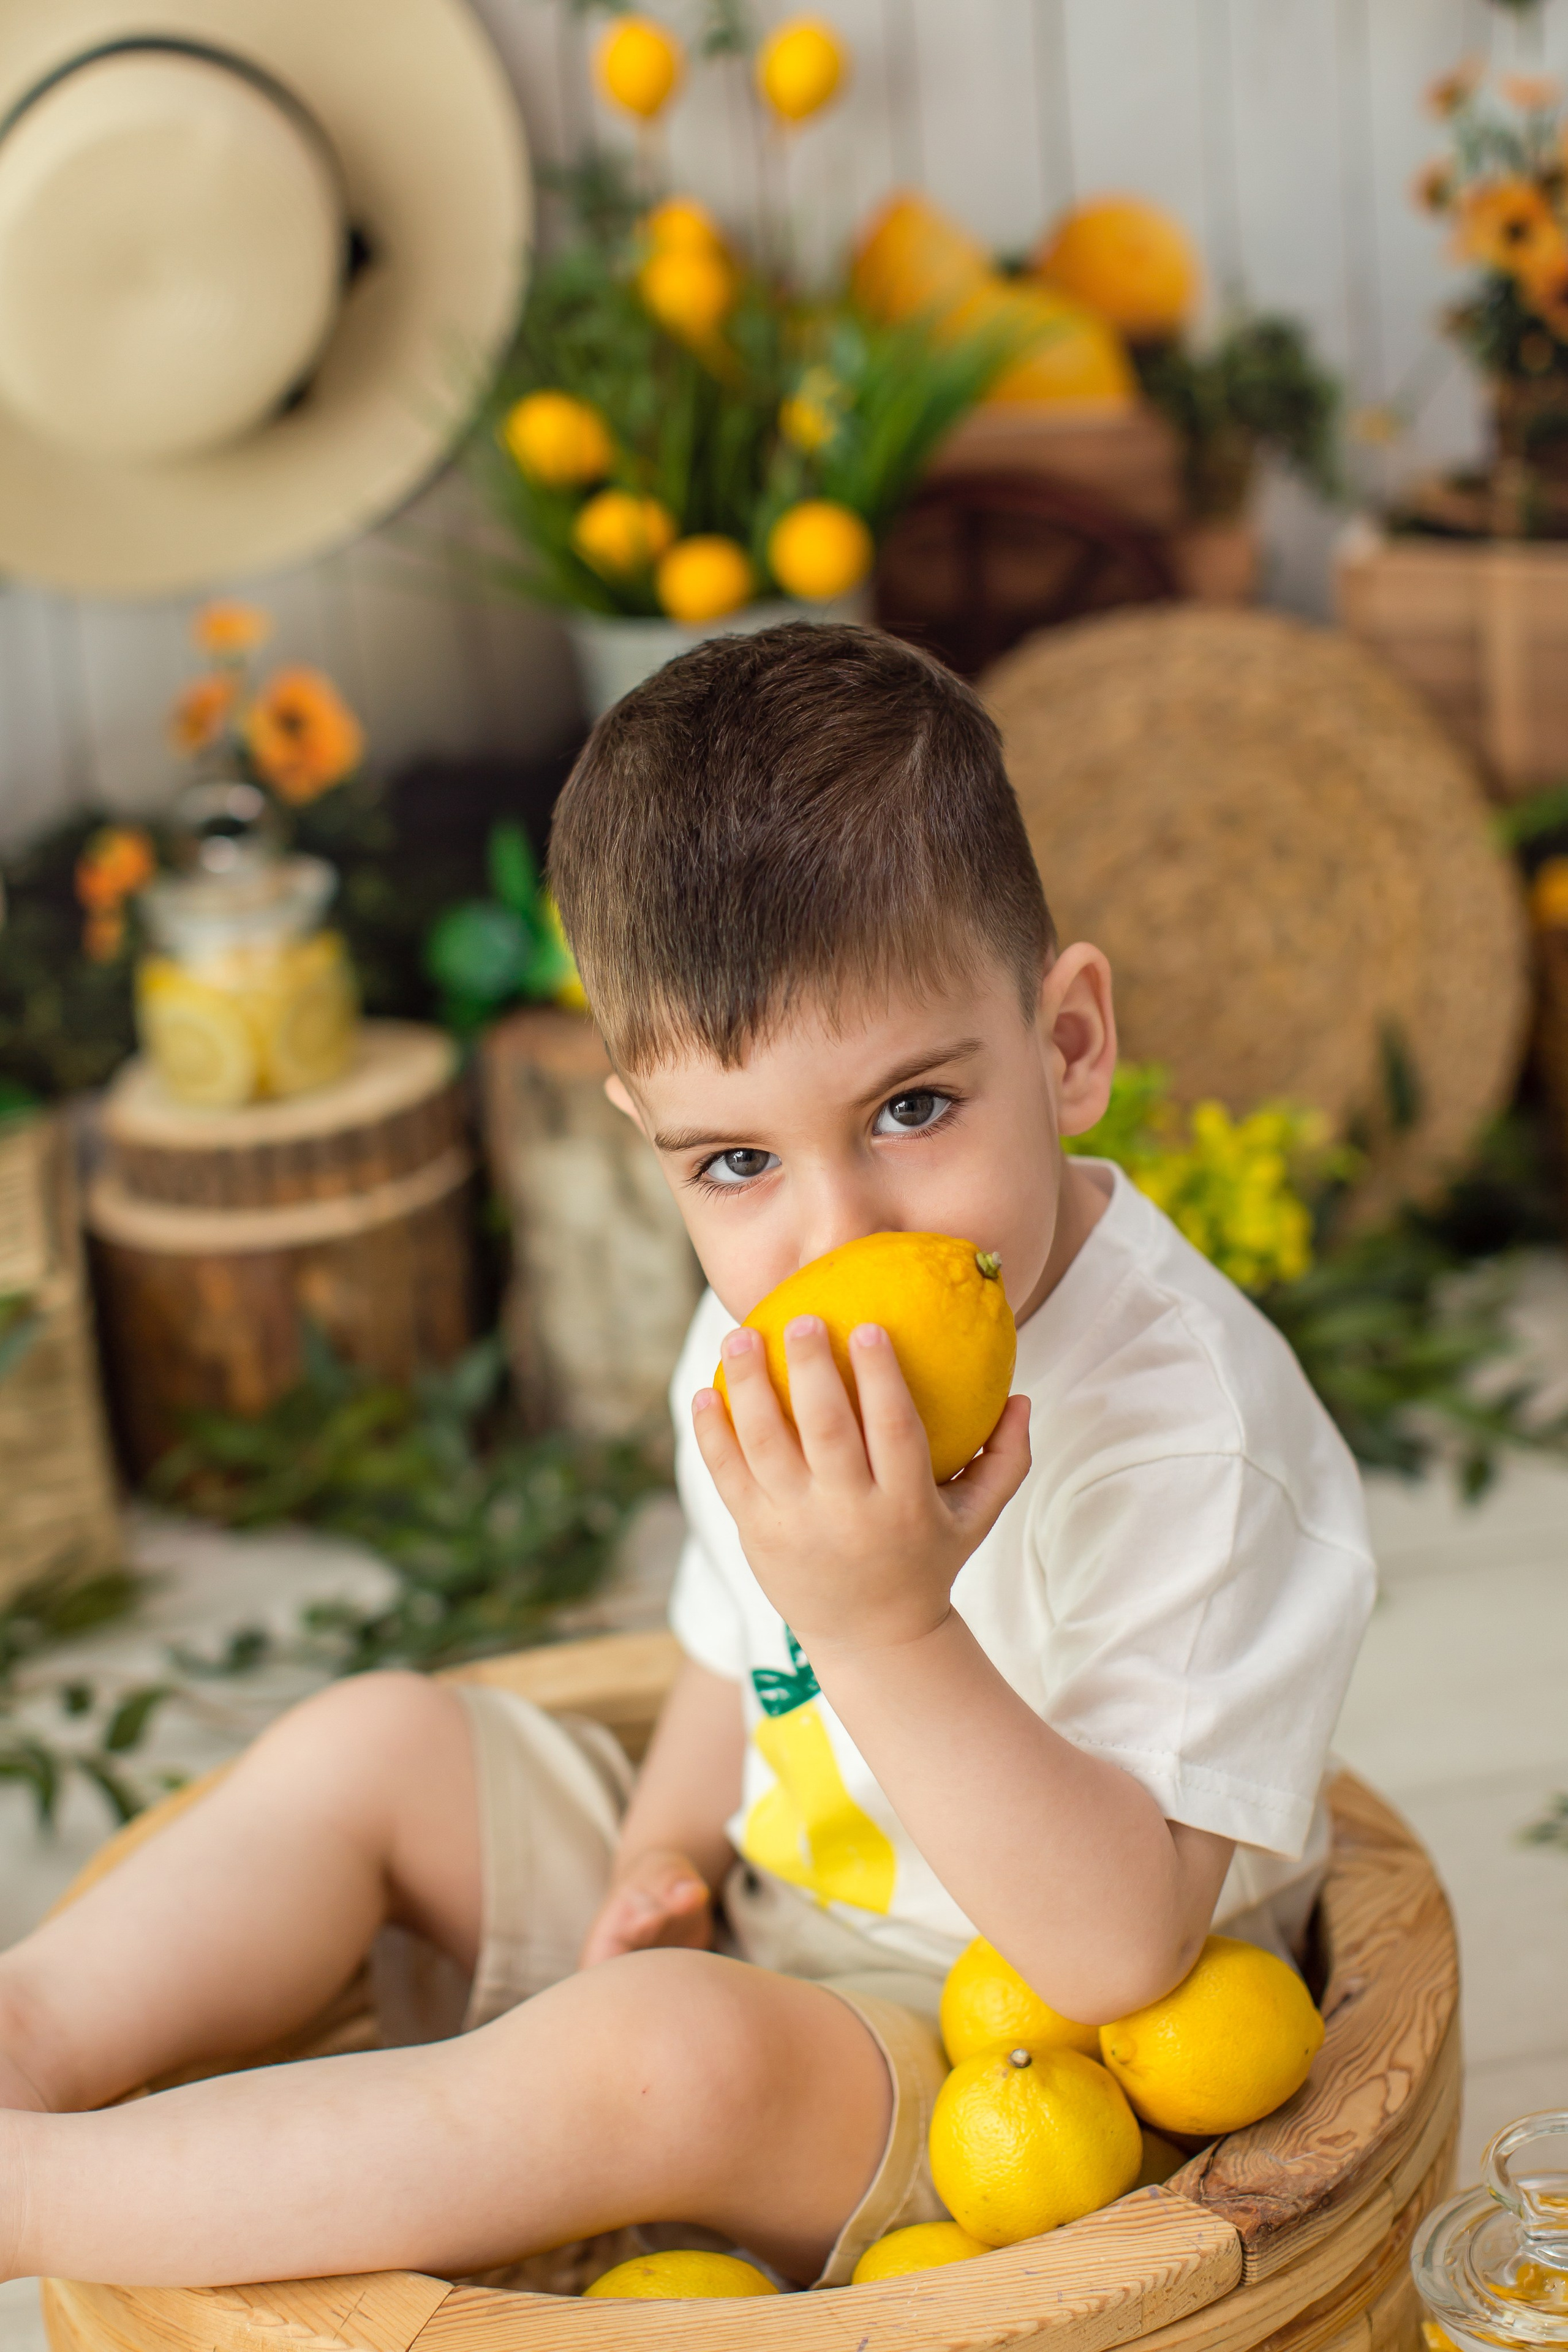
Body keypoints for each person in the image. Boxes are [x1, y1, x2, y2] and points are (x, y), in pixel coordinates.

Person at [0, 624, 1374, 2294]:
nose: (833, 1232)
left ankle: (38, 2203)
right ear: (653, 1144)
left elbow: (1118, 1949)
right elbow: (738, 1659)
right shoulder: (756, 1334)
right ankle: (31, 2038)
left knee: (667, 2057)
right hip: (771, 1920)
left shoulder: (1194, 1435)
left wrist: (887, 1622)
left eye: (913, 1110)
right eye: (736, 1161)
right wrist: (663, 1851)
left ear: (1067, 1042)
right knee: (376, 1740)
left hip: (1008, 2063)